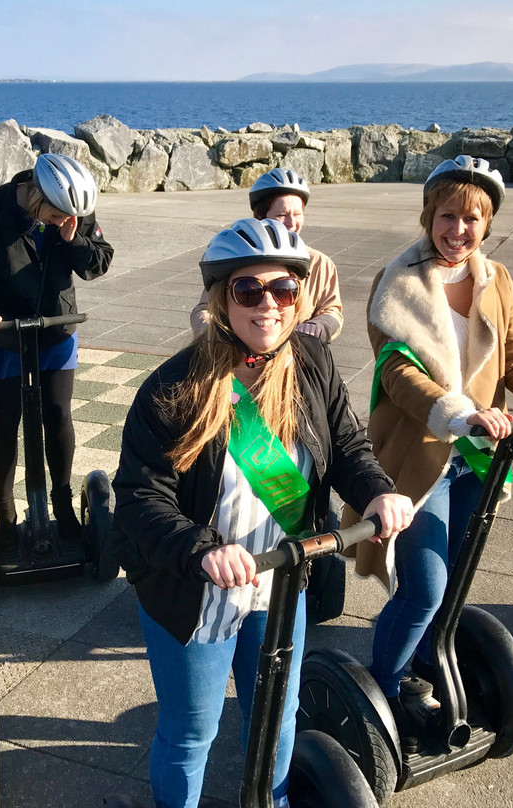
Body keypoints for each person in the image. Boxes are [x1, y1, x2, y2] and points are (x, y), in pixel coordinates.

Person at [113, 217, 413, 808]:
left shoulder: (311, 363)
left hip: (281, 580)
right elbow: (140, 499)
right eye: (248, 290)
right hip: (197, 589)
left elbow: (348, 444)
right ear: (222, 298)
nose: (268, 305)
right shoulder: (174, 390)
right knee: (191, 732)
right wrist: (202, 548)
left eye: (283, 290)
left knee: (276, 723)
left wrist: (377, 489)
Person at [345, 156, 513, 740]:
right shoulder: (400, 282)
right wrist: (461, 413)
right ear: (429, 215)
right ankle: (383, 692)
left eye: (472, 219)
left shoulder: (495, 279)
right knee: (424, 588)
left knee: (454, 578)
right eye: (447, 216)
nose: (458, 230)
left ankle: (424, 659)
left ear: (487, 224)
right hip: (421, 461)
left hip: (477, 460)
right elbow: (397, 374)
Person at [0, 153, 113, 547]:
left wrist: (74, 239)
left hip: (55, 329)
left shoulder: (72, 210)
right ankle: (4, 510)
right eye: (54, 216)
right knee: (5, 423)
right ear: (36, 195)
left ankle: (62, 502)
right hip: (2, 333)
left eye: (68, 217)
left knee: (57, 414)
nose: (60, 221)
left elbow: (98, 262)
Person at [190, 167, 343, 342]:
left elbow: (332, 311)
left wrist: (318, 327)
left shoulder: (320, 263)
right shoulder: (235, 256)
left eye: (297, 214)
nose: (292, 223)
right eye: (282, 215)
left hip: (298, 353)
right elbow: (205, 309)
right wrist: (214, 336)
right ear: (261, 216)